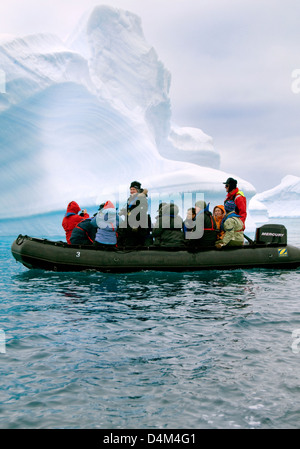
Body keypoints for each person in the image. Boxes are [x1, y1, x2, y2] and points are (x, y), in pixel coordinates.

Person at [118, 181, 151, 247]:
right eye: (131, 189)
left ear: (138, 190)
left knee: (136, 245)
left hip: (137, 227)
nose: (132, 191)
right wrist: (124, 211)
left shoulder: (142, 198)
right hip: (129, 226)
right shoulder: (131, 199)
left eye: (134, 189)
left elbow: (142, 211)